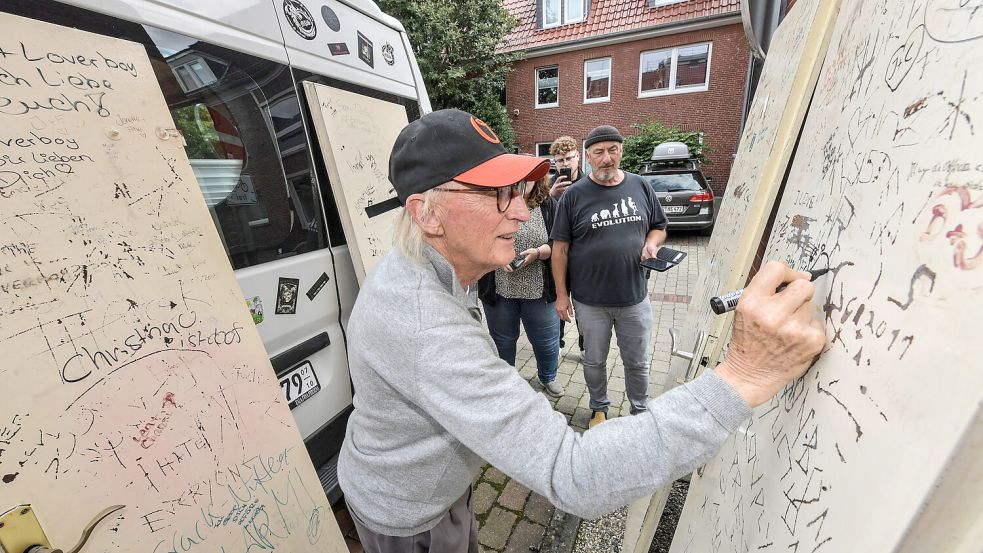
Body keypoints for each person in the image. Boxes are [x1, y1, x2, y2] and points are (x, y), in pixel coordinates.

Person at [337, 108, 826, 552]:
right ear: (427, 213)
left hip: (431, 484)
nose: (523, 211)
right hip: (408, 512)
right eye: (498, 195)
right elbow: (574, 474)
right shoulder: (423, 324)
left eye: (520, 193)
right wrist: (742, 375)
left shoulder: (427, 268)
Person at [550, 125, 666, 429]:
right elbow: (559, 249)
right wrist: (562, 295)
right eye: (599, 152)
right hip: (590, 302)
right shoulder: (573, 196)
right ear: (588, 156)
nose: (606, 158)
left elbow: (659, 225)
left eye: (612, 150)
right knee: (594, 362)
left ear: (621, 151)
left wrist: (651, 243)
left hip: (634, 298)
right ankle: (598, 407)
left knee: (637, 362)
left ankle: (640, 411)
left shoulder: (640, 186)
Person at [478, 176, 563, 397]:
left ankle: (548, 377)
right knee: (503, 340)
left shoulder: (547, 205)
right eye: (516, 179)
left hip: (539, 289)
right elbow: (478, 239)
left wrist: (539, 253)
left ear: (539, 181)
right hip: (499, 289)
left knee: (546, 340)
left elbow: (560, 242)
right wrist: (496, 256)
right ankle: (507, 381)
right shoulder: (494, 202)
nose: (521, 184)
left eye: (529, 179)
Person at [548, 136, 584, 350]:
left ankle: (584, 345)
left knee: (583, 306)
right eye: (560, 161)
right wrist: (551, 197)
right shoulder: (549, 185)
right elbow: (540, 217)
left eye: (569, 158)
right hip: (557, 256)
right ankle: (558, 343)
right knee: (559, 301)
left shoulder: (590, 184)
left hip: (581, 257)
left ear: (578, 157)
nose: (565, 164)